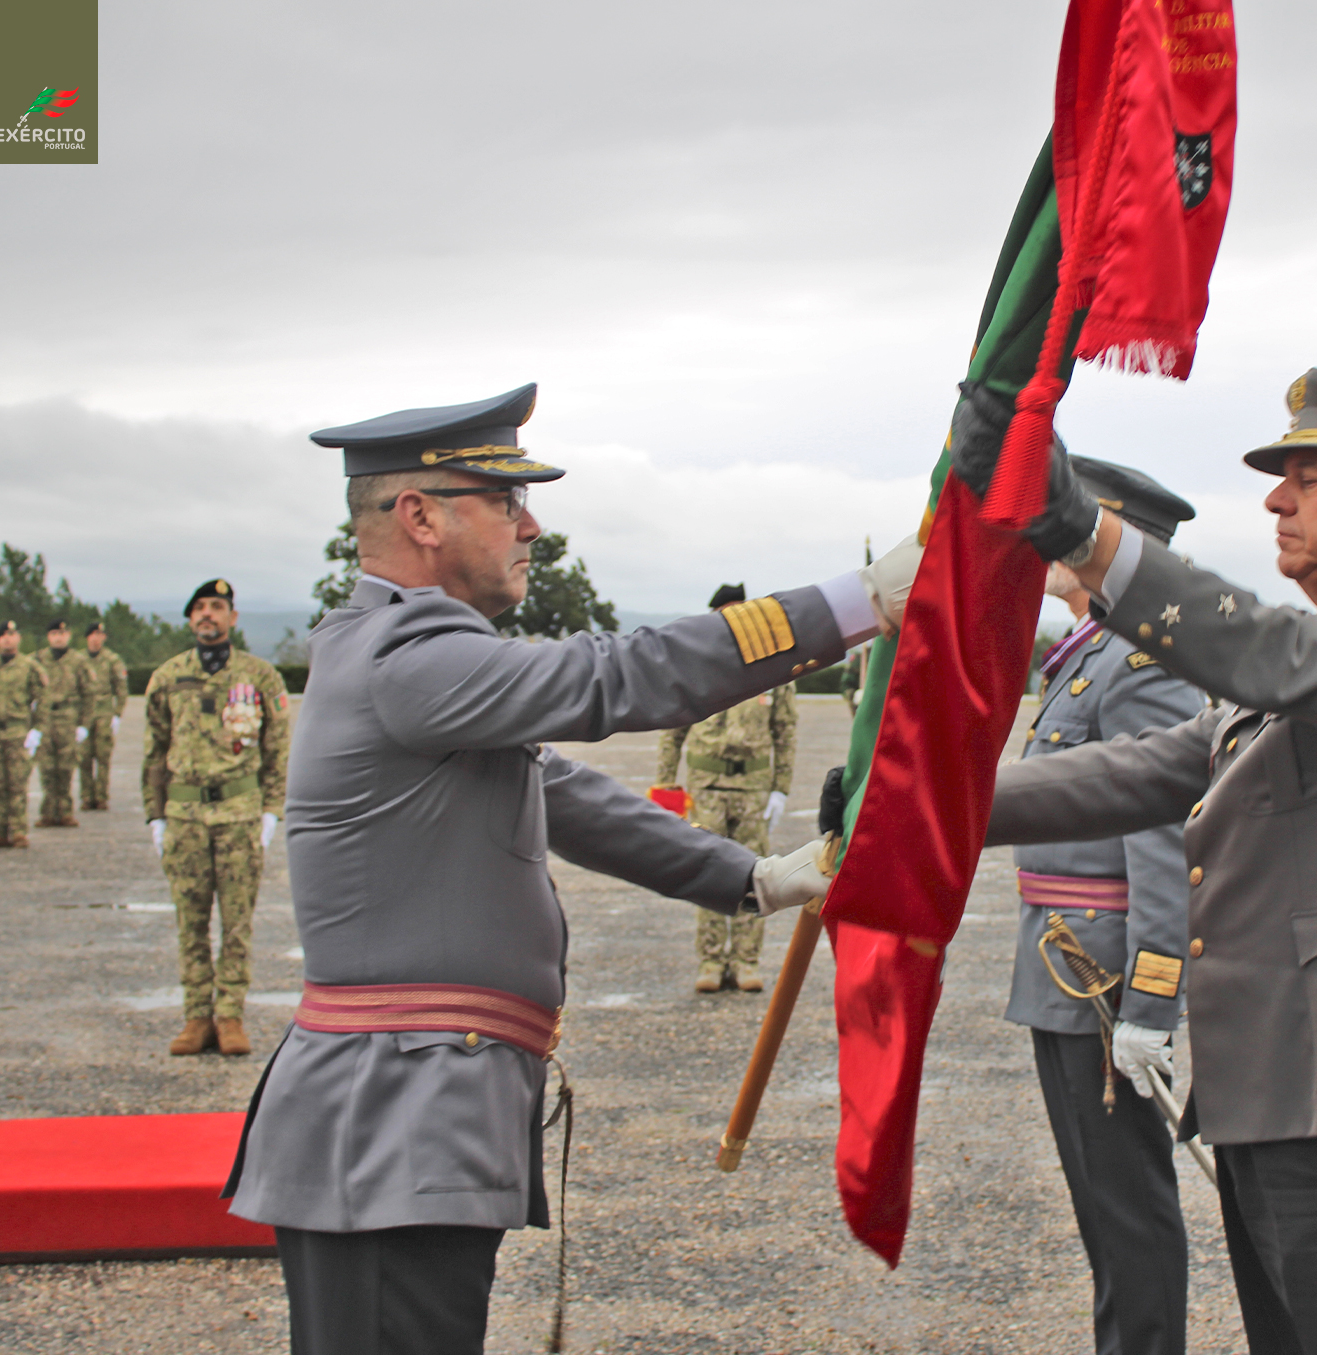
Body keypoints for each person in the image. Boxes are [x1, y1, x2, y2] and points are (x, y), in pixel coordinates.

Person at [223, 383, 916, 1355]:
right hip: (391, 1120)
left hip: (412, 1114)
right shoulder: (407, 653)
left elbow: (561, 793)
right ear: (419, 515)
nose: (531, 526)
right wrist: (855, 603)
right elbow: (614, 674)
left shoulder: (405, 654)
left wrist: (752, 878)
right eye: (506, 500)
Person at [979, 369, 1317, 1355]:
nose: (1275, 500)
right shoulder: (1311, 658)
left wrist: (1089, 537)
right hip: (1273, 1091)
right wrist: (924, 807)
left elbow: (1280, 656)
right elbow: (1137, 772)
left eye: (1308, 480)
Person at [1009, 456, 1203, 1355]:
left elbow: (1163, 834)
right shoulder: (1088, 652)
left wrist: (1151, 1002)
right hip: (1063, 965)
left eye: (1068, 525)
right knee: (1101, 1207)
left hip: (1102, 975)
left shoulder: (1140, 658)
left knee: (1127, 1212)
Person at [143, 580, 291, 1059]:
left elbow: (277, 750)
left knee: (236, 922)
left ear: (233, 617)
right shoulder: (168, 677)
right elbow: (154, 753)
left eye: (217, 607)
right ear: (190, 619)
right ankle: (196, 1016)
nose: (208, 614)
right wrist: (154, 816)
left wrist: (271, 811)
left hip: (239, 815)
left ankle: (230, 1015)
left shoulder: (259, 676)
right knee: (190, 922)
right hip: (184, 815)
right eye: (200, 608)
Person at [654, 582, 800, 993]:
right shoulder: (694, 664)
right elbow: (672, 732)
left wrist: (781, 789)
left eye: (740, 613)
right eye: (726, 615)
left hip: (753, 788)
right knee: (706, 871)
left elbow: (786, 730)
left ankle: (746, 961)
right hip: (706, 786)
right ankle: (711, 961)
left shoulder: (773, 665)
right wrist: (666, 789)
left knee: (755, 875)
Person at [0, 620, 45, 849]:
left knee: (17, 783)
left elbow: (42, 698)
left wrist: (37, 729)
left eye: (12, 634)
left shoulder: (29, 666)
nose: (7, 638)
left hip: (17, 731)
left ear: (19, 638)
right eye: (3, 635)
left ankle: (18, 831)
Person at [32, 620, 95, 829]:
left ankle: (66, 812)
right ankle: (48, 812)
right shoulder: (37, 660)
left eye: (62, 633)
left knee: (66, 768)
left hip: (68, 718)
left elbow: (89, 694)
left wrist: (84, 724)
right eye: (54, 633)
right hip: (45, 717)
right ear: (48, 637)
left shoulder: (79, 661)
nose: (59, 637)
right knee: (47, 767)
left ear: (68, 635)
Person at [78, 622, 130, 810]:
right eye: (92, 634)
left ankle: (101, 796)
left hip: (104, 714)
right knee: (83, 757)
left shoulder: (112, 659)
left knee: (103, 757)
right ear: (87, 637)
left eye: (99, 634)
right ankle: (86, 796)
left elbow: (121, 689)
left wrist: (117, 714)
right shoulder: (79, 660)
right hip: (84, 715)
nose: (96, 638)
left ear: (104, 637)